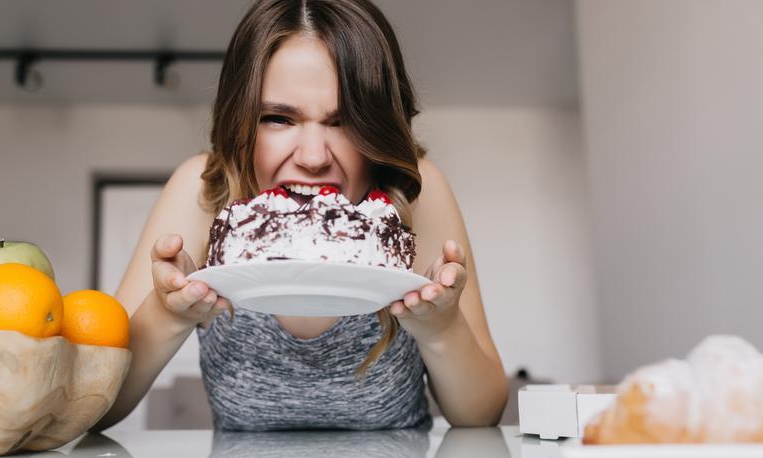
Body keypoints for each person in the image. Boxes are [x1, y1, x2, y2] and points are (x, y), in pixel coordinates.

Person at [93, 0, 507, 432]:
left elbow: (481, 414)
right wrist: (168, 314)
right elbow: (98, 408)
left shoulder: (417, 192)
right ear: (241, 123)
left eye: (343, 121)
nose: (312, 157)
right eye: (277, 119)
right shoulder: (203, 190)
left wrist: (441, 328)